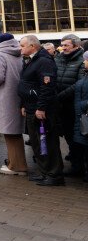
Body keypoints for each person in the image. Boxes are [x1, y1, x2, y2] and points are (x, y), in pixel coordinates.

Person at [19, 35, 64, 186]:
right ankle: (44, 172)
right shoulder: (31, 60)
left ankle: (54, 174)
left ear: (32, 46)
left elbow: (47, 87)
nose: (20, 48)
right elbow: (27, 84)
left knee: (48, 142)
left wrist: (41, 107)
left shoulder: (44, 61)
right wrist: (24, 104)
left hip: (42, 110)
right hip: (31, 107)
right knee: (37, 143)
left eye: (22, 45)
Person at [0, 33, 26, 175]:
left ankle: (15, 166)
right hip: (18, 96)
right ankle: (17, 163)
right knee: (16, 133)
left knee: (9, 133)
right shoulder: (19, 54)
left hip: (5, 97)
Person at [55, 34, 85, 176]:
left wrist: (59, 96)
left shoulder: (81, 61)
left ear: (76, 46)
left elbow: (78, 84)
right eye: (62, 45)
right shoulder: (58, 59)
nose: (63, 48)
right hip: (60, 106)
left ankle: (78, 166)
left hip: (73, 105)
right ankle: (75, 162)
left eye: (66, 45)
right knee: (68, 135)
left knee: (76, 137)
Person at [64, 51, 88, 182]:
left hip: (84, 114)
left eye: (86, 60)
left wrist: (82, 105)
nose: (84, 62)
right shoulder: (85, 74)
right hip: (80, 115)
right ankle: (78, 169)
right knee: (80, 145)